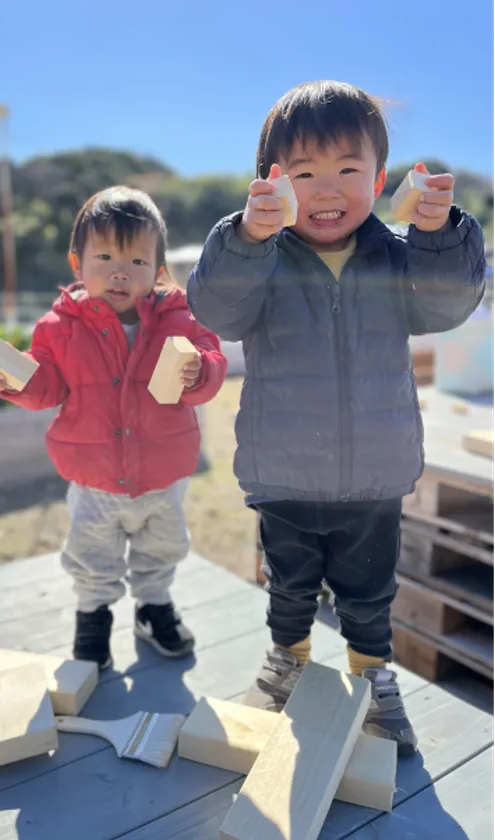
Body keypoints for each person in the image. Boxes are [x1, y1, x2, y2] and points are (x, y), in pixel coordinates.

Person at [187, 80, 485, 754]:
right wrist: (246, 239)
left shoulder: (399, 257)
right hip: (284, 472)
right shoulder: (257, 259)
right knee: (288, 584)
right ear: (271, 184)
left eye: (348, 170)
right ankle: (287, 661)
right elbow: (217, 311)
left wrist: (441, 236)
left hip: (373, 474)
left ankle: (371, 677)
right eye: (304, 173)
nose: (327, 190)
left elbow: (444, 308)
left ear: (379, 181)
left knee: (368, 590)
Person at [0, 186, 228, 670]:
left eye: (137, 261)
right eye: (105, 257)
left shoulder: (180, 318)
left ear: (158, 271)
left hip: (162, 472)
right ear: (78, 263)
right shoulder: (59, 327)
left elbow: (210, 367)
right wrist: (16, 380)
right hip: (94, 476)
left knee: (163, 548)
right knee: (92, 553)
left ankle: (153, 607)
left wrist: (200, 370)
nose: (120, 271)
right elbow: (46, 387)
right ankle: (92, 616)